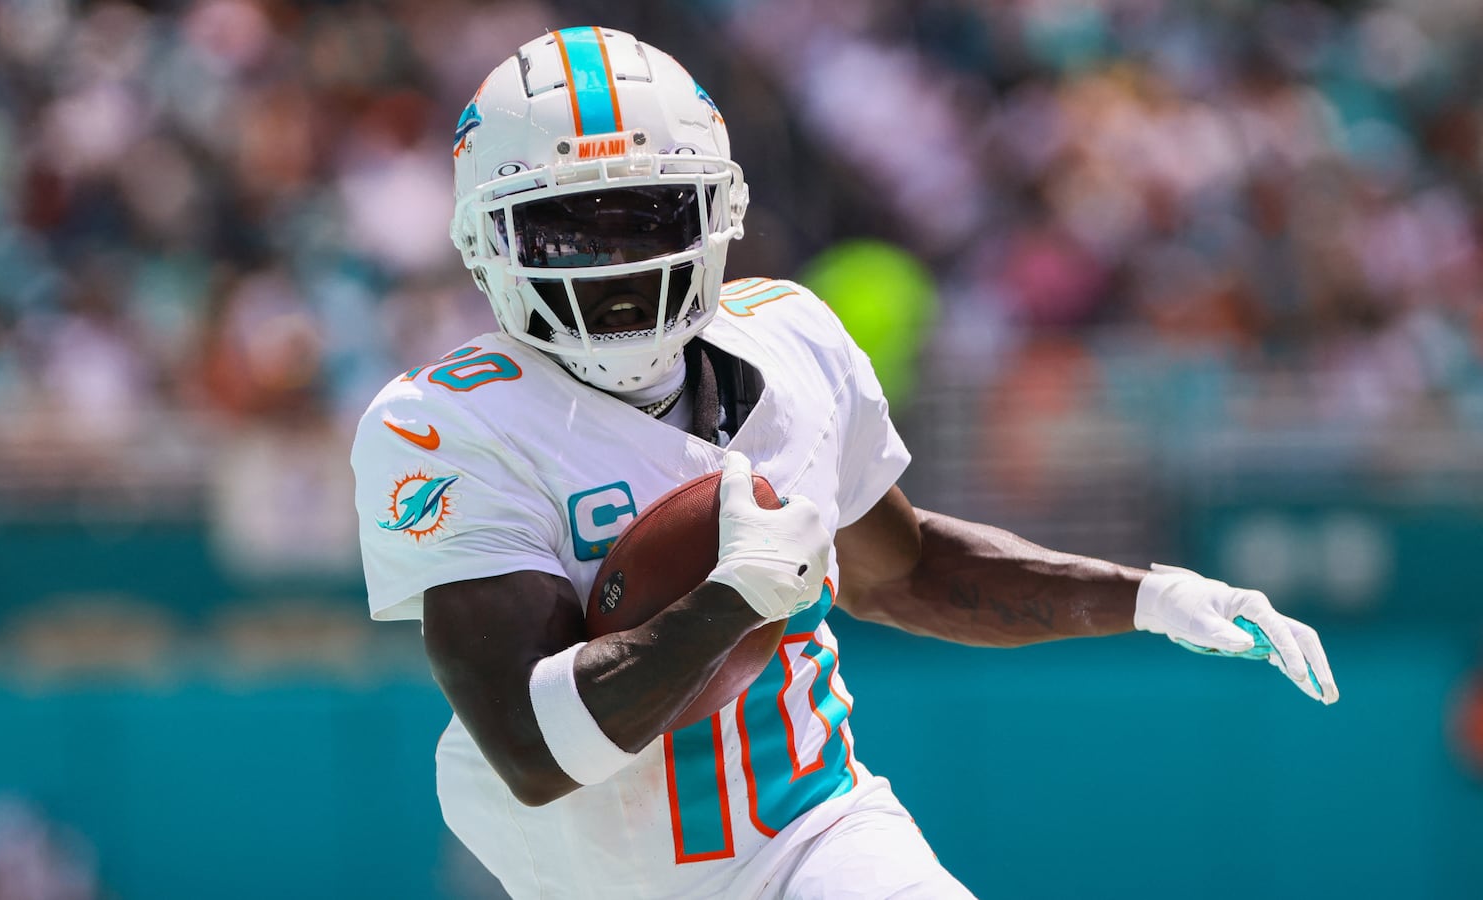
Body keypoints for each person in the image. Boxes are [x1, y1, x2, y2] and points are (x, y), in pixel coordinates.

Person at [351, 26, 1339, 899]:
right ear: (485, 241)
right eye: (567, 227)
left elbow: (904, 571)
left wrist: (1147, 597)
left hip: (814, 834)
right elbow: (530, 747)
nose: (616, 261)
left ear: (717, 211)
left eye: (647, 215)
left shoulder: (794, 341)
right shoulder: (444, 425)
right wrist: (730, 602)